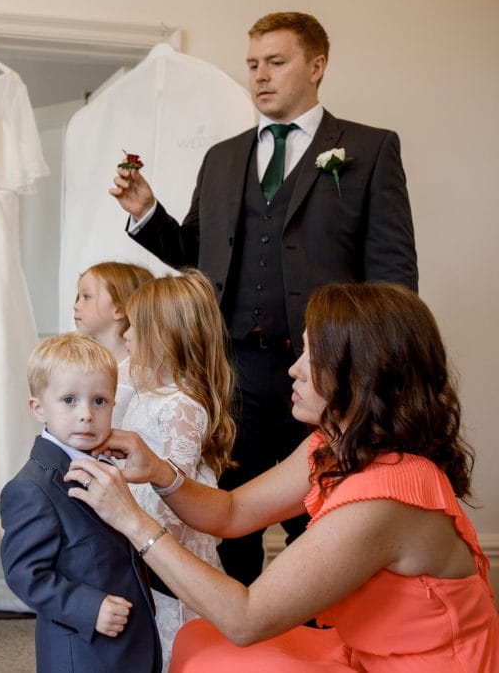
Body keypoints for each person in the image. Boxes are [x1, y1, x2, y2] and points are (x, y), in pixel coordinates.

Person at [109, 11, 418, 585]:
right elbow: (196, 256)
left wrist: (376, 366)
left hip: (327, 369)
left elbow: (394, 274)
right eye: (253, 64)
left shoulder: (370, 150)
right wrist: (148, 214)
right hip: (233, 369)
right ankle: (239, 637)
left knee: (325, 508)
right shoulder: (222, 158)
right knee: (230, 507)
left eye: (276, 62)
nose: (260, 76)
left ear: (317, 66)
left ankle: (324, 638)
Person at [66, 282, 498, 671]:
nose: (294, 369)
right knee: (196, 638)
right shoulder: (333, 445)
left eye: (312, 356)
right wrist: (160, 472)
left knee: (213, 656)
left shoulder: (384, 500)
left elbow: (245, 619)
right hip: (363, 651)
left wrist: (132, 521)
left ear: (360, 373)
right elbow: (233, 513)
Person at [0, 332, 161, 673]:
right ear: (39, 408)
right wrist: (89, 608)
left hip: (127, 641)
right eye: (69, 400)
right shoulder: (32, 488)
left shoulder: (104, 462)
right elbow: (24, 573)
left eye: (99, 401)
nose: (86, 414)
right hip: (81, 650)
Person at [120, 270, 234, 670]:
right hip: (140, 547)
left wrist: (140, 544)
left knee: (170, 645)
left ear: (162, 337)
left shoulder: (182, 406)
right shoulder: (147, 396)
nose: (126, 336)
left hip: (168, 560)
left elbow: (174, 498)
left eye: (134, 327)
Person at [73, 260, 153, 426]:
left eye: (86, 297)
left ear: (118, 309)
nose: (76, 305)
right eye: (78, 297)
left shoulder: (143, 374)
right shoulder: (75, 361)